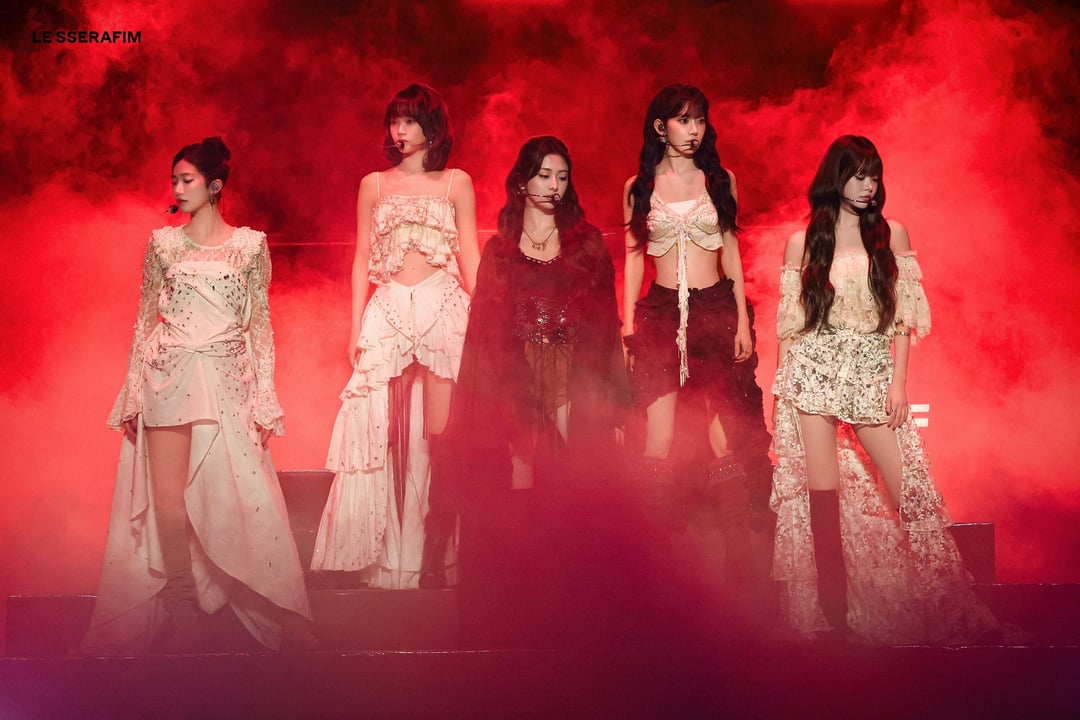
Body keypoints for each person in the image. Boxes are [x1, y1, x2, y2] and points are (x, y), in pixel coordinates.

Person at [83, 137, 313, 654]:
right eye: (174, 180)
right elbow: (144, 321)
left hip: (227, 378)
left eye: (186, 180)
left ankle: (273, 603)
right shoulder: (163, 244)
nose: (177, 189)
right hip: (167, 374)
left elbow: (260, 327)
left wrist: (265, 397)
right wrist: (131, 393)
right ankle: (182, 604)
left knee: (245, 491)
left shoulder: (250, 245)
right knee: (167, 500)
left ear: (215, 186)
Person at [771, 135, 998, 643]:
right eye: (857, 175)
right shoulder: (803, 241)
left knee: (910, 492)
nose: (867, 185)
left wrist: (898, 384)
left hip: (871, 374)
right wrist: (781, 392)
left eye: (873, 175)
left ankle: (949, 605)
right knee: (821, 503)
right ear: (836, 178)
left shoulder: (892, 234)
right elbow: (791, 324)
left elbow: (903, 318)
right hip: (812, 377)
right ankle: (834, 621)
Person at [452, 136, 629, 644]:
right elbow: (485, 327)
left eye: (562, 177)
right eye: (545, 175)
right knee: (520, 482)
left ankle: (572, 601)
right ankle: (519, 601)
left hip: (574, 371)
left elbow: (606, 323)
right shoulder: (500, 249)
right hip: (516, 373)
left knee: (572, 478)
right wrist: (501, 391)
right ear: (522, 182)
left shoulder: (587, 243)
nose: (554, 186)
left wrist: (613, 400)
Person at [311, 84, 480, 590]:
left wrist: (486, 321)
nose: (399, 130)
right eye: (394, 120)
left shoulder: (456, 182)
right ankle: (385, 558)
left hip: (443, 306)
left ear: (432, 125)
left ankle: (435, 559)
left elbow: (470, 255)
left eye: (409, 120)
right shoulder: (374, 184)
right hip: (387, 310)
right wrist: (353, 328)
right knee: (382, 437)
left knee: (440, 439)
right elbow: (361, 259)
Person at [622, 84, 772, 572]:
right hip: (662, 312)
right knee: (659, 437)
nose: (694, 130)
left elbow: (732, 252)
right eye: (683, 120)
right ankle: (654, 558)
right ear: (660, 126)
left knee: (722, 435)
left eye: (700, 120)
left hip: (713, 309)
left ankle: (738, 549)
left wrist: (741, 319)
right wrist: (627, 324)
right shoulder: (639, 186)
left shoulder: (721, 180)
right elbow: (633, 257)